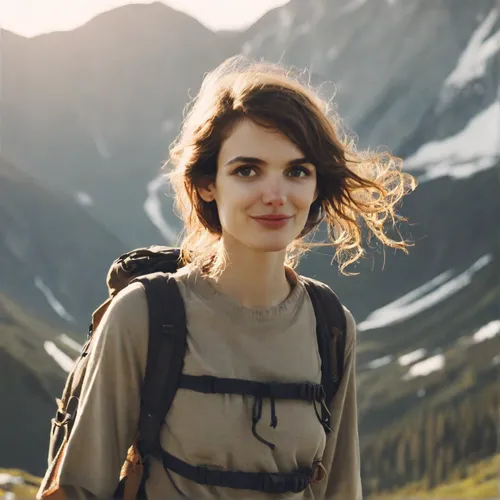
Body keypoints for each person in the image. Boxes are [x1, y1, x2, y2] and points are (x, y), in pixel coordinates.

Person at [38, 56, 415, 500]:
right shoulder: (143, 314)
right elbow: (79, 489)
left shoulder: (330, 326)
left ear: (316, 186)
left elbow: (340, 490)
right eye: (247, 170)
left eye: (297, 171)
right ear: (205, 184)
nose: (275, 195)